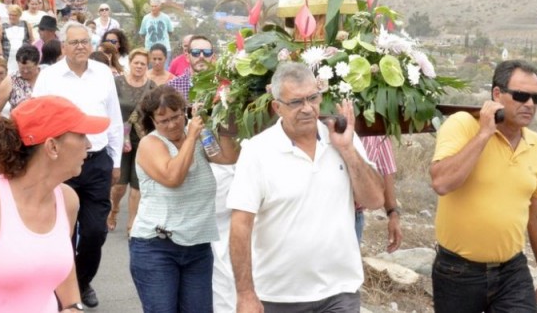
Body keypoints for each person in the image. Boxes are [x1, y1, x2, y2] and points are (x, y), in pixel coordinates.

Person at [0, 96, 110, 312]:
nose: (89, 145)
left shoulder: (67, 200)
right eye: (81, 135)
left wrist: (74, 307)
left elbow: (63, 272)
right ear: (52, 147)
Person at [228, 63, 385, 312]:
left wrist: (347, 150)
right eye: (296, 102)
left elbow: (376, 199)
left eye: (312, 98)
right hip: (279, 297)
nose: (307, 109)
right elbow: (240, 224)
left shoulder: (343, 138)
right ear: (277, 107)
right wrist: (245, 293)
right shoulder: (257, 152)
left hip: (339, 292)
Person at [429, 60, 537, 313]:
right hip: (457, 272)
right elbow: (441, 182)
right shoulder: (463, 124)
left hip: (512, 271)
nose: (529, 104)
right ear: (497, 94)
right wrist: (484, 134)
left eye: (536, 98)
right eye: (520, 95)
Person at [32, 23, 124, 309]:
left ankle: (82, 282)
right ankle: (62, 291)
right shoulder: (49, 77)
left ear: (91, 45)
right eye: (74, 42)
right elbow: (37, 118)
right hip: (60, 165)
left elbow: (114, 119)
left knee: (96, 231)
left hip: (97, 162)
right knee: (63, 233)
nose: (80, 46)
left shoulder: (104, 76)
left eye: (85, 41)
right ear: (64, 47)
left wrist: (116, 160)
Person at [130, 85, 238, 312]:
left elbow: (227, 157)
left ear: (184, 111)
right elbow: (173, 177)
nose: (171, 125)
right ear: (153, 121)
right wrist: (191, 138)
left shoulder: (197, 133)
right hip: (156, 247)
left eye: (176, 117)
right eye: (163, 120)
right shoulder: (151, 143)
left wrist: (227, 110)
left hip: (197, 245)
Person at [108, 48, 155, 233]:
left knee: (137, 185)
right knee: (119, 184)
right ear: (130, 63)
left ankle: (132, 224)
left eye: (143, 64)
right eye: (136, 62)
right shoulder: (117, 82)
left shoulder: (151, 87)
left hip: (142, 139)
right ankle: (114, 210)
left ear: (147, 66)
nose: (139, 66)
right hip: (120, 137)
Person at [355, 135, 403, 252]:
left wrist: (393, 215)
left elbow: (385, 171)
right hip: (323, 213)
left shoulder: (378, 133)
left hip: (355, 217)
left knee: (345, 268)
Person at [0, 44, 41, 117]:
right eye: (22, 68)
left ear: (37, 64)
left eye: (29, 68)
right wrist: (4, 124)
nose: (25, 71)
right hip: (19, 125)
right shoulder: (11, 80)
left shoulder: (46, 76)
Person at [168, 35, 215, 99]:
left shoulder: (220, 86)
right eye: (196, 52)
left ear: (212, 57)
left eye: (207, 52)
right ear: (187, 57)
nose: (201, 56)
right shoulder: (173, 86)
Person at [1, 4, 34, 73]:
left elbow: (31, 40)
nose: (12, 17)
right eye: (10, 15)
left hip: (23, 58)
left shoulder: (26, 24)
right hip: (7, 58)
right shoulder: (3, 26)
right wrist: (0, 55)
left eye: (14, 15)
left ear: (19, 15)